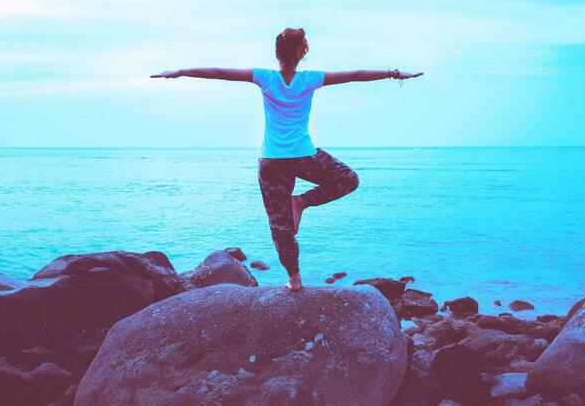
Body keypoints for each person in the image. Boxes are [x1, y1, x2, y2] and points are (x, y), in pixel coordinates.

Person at [151, 27, 423, 290]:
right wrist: (394, 73)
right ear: (300, 54)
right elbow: (355, 75)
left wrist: (180, 72)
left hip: (272, 162)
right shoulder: (309, 79)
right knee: (348, 180)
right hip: (304, 155)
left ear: (277, 52)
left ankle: (294, 278)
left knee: (280, 226)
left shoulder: (265, 77)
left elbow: (220, 72)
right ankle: (301, 202)